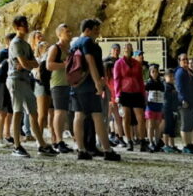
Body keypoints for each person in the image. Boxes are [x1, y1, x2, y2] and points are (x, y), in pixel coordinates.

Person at [69, 18, 120, 161]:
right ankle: (107, 150)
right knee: (97, 115)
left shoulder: (74, 44)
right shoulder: (86, 42)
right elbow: (90, 61)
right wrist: (98, 81)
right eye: (96, 29)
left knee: (79, 116)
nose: (98, 32)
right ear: (88, 30)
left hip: (77, 84)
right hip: (89, 85)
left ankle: (81, 149)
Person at [6, 15, 56, 157]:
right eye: (22, 24)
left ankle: (41, 144)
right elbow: (27, 64)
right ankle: (16, 145)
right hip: (16, 79)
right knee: (17, 112)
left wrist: (26, 64)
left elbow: (35, 64)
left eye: (26, 23)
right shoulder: (15, 43)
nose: (26, 26)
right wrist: (27, 64)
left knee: (33, 113)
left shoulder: (26, 45)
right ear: (16, 27)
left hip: (26, 80)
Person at [45, 23, 73, 154]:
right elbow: (49, 65)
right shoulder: (55, 48)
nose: (70, 34)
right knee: (59, 112)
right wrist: (65, 64)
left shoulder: (68, 49)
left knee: (63, 113)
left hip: (67, 84)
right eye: (67, 32)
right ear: (59, 34)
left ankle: (58, 140)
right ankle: (58, 141)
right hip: (57, 83)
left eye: (70, 32)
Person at [113, 43, 147, 152]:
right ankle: (129, 141)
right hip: (125, 93)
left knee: (140, 118)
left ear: (132, 50)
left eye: (129, 48)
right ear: (123, 50)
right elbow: (116, 79)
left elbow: (140, 80)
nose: (127, 49)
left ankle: (142, 141)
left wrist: (143, 94)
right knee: (126, 118)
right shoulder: (119, 63)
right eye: (125, 48)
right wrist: (118, 95)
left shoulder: (137, 64)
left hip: (136, 92)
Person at [175, 53, 193, 154]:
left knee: (190, 124)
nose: (185, 61)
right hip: (185, 102)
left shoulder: (189, 71)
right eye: (183, 59)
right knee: (185, 124)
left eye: (186, 59)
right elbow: (179, 87)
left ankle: (190, 144)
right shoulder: (180, 72)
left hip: (191, 101)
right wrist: (183, 99)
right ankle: (186, 145)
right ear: (179, 61)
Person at [33, 39, 52, 139]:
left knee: (45, 114)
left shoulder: (47, 59)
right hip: (40, 86)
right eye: (45, 47)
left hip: (47, 85)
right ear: (40, 49)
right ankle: (39, 138)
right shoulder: (37, 60)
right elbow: (37, 74)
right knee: (42, 114)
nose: (48, 49)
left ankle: (40, 136)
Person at [144, 63, 165, 152]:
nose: (155, 74)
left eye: (156, 72)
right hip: (150, 106)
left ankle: (157, 142)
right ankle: (150, 142)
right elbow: (145, 94)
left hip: (159, 106)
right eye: (153, 72)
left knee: (157, 125)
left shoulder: (161, 83)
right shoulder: (148, 83)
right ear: (150, 73)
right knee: (151, 125)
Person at [161, 68, 180, 153]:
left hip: (174, 109)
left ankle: (172, 145)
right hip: (167, 109)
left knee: (172, 127)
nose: (172, 78)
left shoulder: (173, 86)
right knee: (167, 127)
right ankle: (166, 145)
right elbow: (166, 99)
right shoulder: (165, 86)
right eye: (169, 76)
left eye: (173, 76)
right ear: (165, 77)